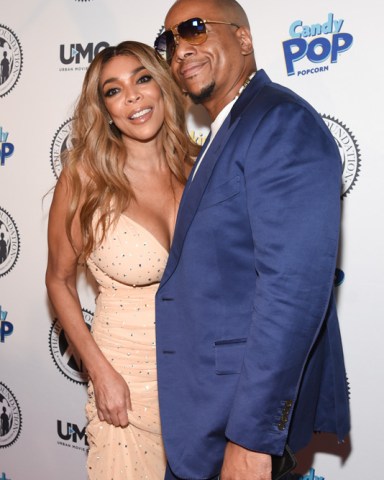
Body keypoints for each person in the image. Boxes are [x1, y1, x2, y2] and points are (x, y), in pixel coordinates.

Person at [153, 1, 351, 479]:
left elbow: (294, 291)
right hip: (205, 415)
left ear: (243, 39)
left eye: (194, 30)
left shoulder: (280, 123)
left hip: (238, 422)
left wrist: (252, 434)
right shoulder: (227, 131)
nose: (181, 50)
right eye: (169, 42)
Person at [46, 40, 197, 479]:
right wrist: (100, 373)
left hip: (196, 377)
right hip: (123, 380)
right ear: (104, 109)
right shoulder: (83, 178)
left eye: (142, 79)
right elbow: (58, 279)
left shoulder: (200, 166)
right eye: (113, 90)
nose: (131, 96)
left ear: (163, 86)